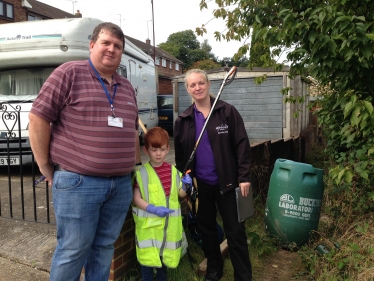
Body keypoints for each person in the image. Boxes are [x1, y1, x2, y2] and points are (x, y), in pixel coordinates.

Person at [28, 22, 141, 281]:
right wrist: (45, 165)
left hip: (120, 185)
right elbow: (38, 117)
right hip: (79, 182)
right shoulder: (68, 73)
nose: (112, 49)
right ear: (92, 45)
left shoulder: (126, 87)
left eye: (118, 46)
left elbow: (132, 131)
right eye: (106, 43)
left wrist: (133, 168)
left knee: (103, 248)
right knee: (73, 250)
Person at [174, 69, 253, 281]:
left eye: (201, 83)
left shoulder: (227, 112)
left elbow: (242, 146)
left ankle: (243, 276)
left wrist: (244, 177)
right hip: (201, 187)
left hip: (228, 184)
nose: (197, 87)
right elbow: (181, 157)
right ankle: (214, 269)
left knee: (235, 234)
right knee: (207, 231)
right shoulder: (183, 120)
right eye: (192, 85)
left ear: (208, 85)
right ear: (188, 89)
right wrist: (187, 178)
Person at [132, 127, 191, 281]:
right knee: (148, 263)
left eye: (162, 149)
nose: (158, 153)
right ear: (146, 150)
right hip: (149, 230)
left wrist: (185, 186)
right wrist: (151, 208)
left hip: (168, 229)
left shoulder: (172, 171)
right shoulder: (142, 173)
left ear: (167, 149)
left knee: (163, 263)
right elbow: (136, 198)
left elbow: (180, 194)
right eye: (154, 149)